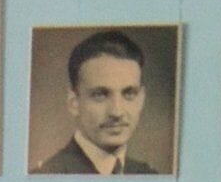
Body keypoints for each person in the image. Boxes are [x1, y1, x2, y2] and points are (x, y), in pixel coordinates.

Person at [41, 27, 161, 174]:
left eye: (129, 94)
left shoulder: (148, 175)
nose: (116, 112)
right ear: (74, 103)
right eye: (100, 95)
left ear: (141, 99)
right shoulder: (49, 175)